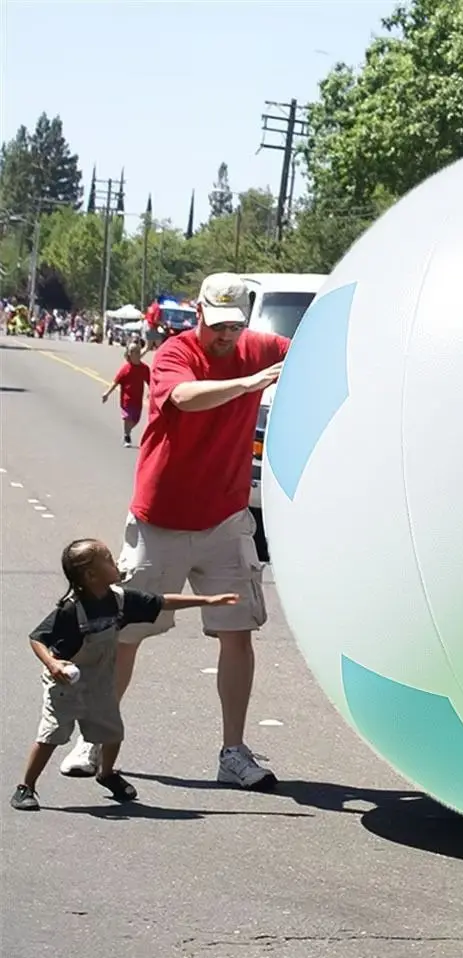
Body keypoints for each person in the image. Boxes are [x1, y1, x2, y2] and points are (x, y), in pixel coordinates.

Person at [59, 273, 287, 790]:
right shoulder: (174, 353)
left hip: (226, 521)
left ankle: (233, 753)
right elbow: (184, 397)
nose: (227, 336)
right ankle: (94, 739)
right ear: (199, 312)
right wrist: (251, 383)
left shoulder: (259, 346)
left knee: (238, 633)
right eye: (218, 324)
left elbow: (320, 348)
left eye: (235, 325)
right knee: (121, 634)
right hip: (160, 520)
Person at [11, 539, 239, 811]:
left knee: (113, 732)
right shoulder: (71, 610)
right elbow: (37, 638)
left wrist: (208, 600)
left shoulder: (120, 600)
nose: (115, 562)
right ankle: (26, 787)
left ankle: (106, 774)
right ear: (91, 575)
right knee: (52, 735)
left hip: (99, 681)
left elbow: (162, 601)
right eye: (107, 559)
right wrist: (52, 664)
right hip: (66, 685)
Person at [101, 342, 151, 446]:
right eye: (133, 352)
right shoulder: (125, 369)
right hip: (126, 400)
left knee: (135, 420)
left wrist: (151, 392)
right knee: (128, 417)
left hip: (137, 400)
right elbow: (115, 382)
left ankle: (128, 432)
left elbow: (150, 382)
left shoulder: (144, 368)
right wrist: (107, 393)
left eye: (138, 351)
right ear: (129, 354)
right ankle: (127, 436)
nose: (136, 354)